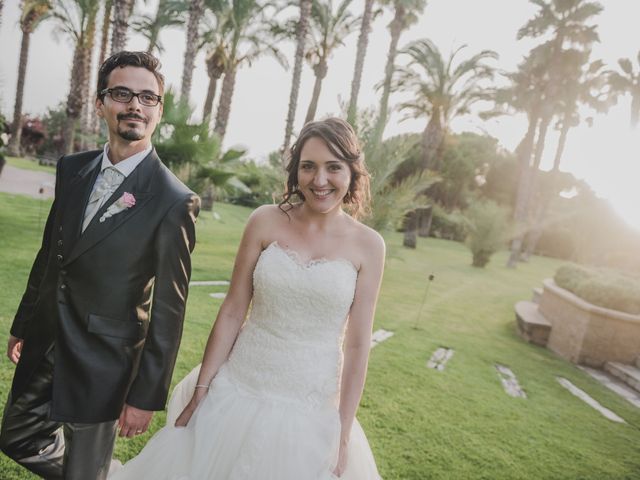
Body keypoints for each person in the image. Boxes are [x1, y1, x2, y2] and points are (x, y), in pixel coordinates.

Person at [109, 117, 385, 479]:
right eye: (308, 166)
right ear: (295, 172)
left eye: (333, 167)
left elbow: (358, 345)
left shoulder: (369, 245)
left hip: (310, 408)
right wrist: (203, 388)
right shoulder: (264, 221)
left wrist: (343, 434)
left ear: (353, 172)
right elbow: (233, 310)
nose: (319, 180)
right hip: (237, 386)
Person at [0, 51, 200, 480]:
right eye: (123, 93)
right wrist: (24, 322)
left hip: (105, 362)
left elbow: (169, 308)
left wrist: (146, 394)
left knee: (84, 471)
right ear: (100, 102)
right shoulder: (72, 169)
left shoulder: (173, 199)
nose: (135, 106)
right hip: (47, 338)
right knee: (15, 437)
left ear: (159, 110)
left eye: (148, 98)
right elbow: (49, 253)